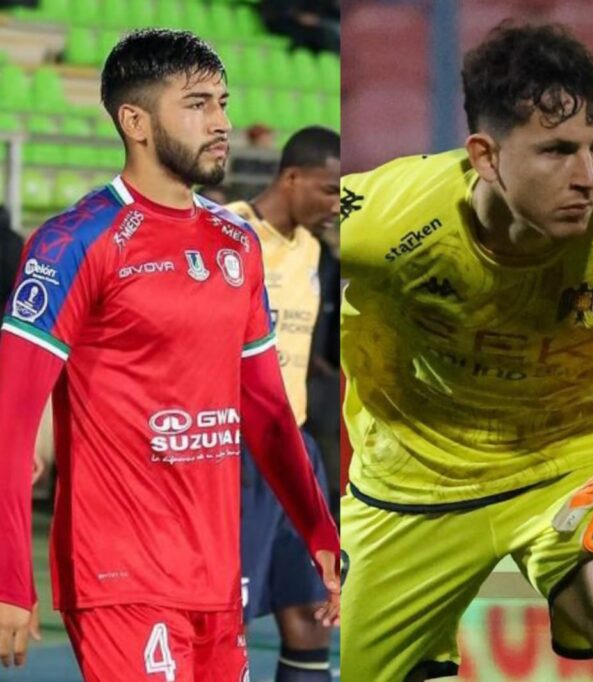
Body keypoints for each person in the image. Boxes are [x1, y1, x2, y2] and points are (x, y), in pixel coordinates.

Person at [339, 22, 593, 682]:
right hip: (416, 474)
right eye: (557, 151)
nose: (587, 176)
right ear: (486, 156)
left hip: (587, 451)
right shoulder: (382, 220)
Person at [0, 29, 340, 678]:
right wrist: (10, 578)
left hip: (216, 575)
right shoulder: (73, 242)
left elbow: (268, 413)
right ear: (136, 122)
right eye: (198, 104)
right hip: (120, 575)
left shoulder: (236, 243)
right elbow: (10, 426)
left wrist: (320, 532)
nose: (223, 123)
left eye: (223, 102)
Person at [226, 125, 340, 682]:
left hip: (296, 449)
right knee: (228, 619)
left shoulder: (316, 252)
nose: (336, 205)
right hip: (238, 454)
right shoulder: (228, 232)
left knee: (312, 614)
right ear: (291, 177)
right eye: (328, 189)